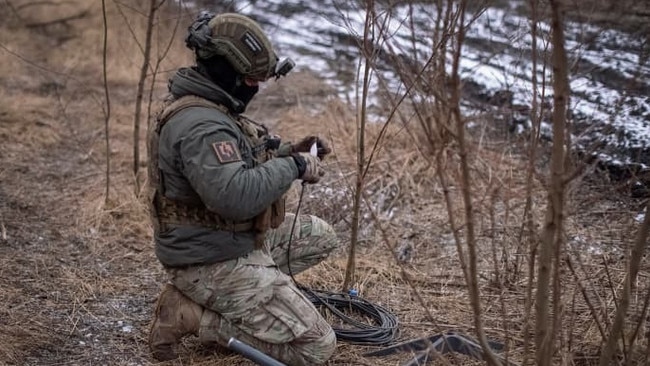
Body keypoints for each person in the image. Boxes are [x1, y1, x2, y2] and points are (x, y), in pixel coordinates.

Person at [146, 11, 340, 365]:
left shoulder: (213, 108)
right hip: (206, 260)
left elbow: (237, 162)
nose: (255, 87)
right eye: (250, 79)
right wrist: (294, 166)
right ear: (226, 70)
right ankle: (192, 313)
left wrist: (288, 151)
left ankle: (254, 300)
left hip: (230, 241)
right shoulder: (201, 125)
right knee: (316, 346)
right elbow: (233, 196)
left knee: (321, 236)